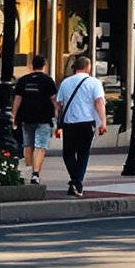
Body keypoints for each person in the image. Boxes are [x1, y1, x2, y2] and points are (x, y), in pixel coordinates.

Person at [52, 55, 106, 198]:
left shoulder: (65, 83)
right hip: (87, 123)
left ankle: (75, 181)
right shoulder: (94, 83)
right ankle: (77, 182)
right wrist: (103, 122)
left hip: (69, 123)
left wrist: (58, 123)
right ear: (88, 67)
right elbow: (99, 102)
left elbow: (59, 104)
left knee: (68, 153)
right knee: (83, 153)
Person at [11, 60, 58, 181]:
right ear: (44, 66)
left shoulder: (23, 80)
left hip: (26, 118)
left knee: (28, 145)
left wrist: (14, 116)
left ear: (32, 66)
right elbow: (54, 100)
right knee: (40, 147)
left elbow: (17, 99)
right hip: (43, 118)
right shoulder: (48, 81)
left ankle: (28, 170)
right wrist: (57, 116)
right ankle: (35, 174)